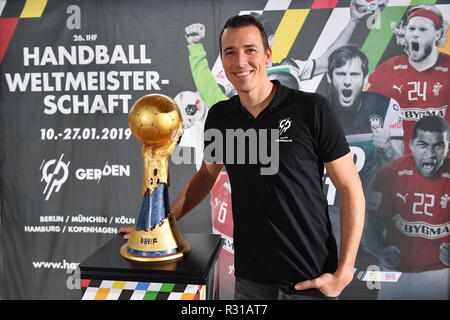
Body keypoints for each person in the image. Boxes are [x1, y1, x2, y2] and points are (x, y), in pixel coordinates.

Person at [325, 44, 404, 250]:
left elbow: (401, 167)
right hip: (326, 215)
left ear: (365, 78)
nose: (348, 81)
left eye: (354, 74)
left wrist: (387, 146)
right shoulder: (316, 111)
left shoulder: (386, 106)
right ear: (329, 78)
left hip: (369, 214)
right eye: (341, 74)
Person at [368, 116, 449, 299]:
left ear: (447, 146)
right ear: (411, 144)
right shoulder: (388, 173)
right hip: (395, 274)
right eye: (423, 145)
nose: (431, 154)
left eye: (439, 145)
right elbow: (370, 224)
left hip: (441, 274)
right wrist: (380, 251)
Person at [366, 4, 449, 153]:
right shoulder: (387, 70)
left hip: (441, 164)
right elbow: (368, 111)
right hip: (397, 165)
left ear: (437, 34)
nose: (415, 34)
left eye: (422, 29)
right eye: (411, 29)